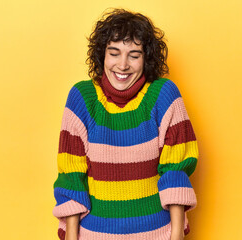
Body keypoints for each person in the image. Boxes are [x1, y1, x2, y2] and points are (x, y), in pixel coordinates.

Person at [52, 8, 199, 240]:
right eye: (114, 53)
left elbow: (176, 170)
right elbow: (72, 176)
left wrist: (177, 236)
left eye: (134, 55)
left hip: (157, 234)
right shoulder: (83, 98)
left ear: (146, 58)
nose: (122, 65)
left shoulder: (163, 95)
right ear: (102, 56)